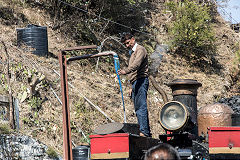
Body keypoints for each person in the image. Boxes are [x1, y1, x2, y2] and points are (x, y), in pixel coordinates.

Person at [118, 32, 151, 137]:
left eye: (128, 43)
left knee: (141, 107)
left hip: (141, 80)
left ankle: (144, 132)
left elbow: (136, 65)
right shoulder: (132, 53)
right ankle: (144, 131)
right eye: (125, 44)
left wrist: (125, 71)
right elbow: (133, 72)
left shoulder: (140, 50)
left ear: (133, 39)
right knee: (137, 108)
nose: (127, 45)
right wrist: (131, 86)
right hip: (135, 82)